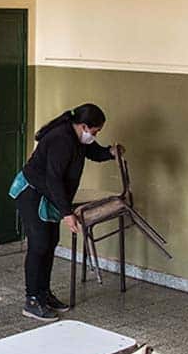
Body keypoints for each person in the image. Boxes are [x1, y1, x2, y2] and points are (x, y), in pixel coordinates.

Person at [9, 103, 123, 321]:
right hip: (32, 192)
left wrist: (110, 152)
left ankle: (44, 293)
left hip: (49, 194)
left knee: (50, 242)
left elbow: (93, 151)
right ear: (83, 126)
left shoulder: (77, 137)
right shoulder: (62, 139)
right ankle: (32, 300)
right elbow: (53, 179)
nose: (95, 135)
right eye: (95, 131)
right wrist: (67, 213)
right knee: (39, 243)